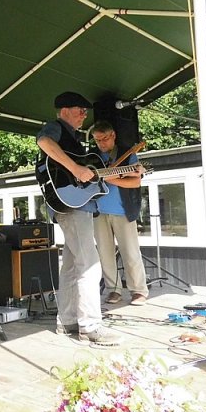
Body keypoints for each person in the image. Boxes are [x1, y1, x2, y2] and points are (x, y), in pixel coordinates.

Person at [36, 91, 120, 345]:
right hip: (72, 208)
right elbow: (44, 142)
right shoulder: (56, 127)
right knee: (90, 265)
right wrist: (75, 168)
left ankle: (68, 320)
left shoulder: (74, 138)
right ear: (64, 111)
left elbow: (86, 174)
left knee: (72, 267)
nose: (84, 115)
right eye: (79, 110)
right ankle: (90, 326)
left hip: (76, 206)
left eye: (85, 111)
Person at [90, 120, 149, 306]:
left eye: (104, 139)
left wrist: (110, 179)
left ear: (113, 135)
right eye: (97, 140)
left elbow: (136, 181)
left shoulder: (127, 154)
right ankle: (113, 290)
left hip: (122, 210)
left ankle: (138, 291)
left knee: (130, 252)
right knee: (105, 254)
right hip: (98, 211)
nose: (101, 143)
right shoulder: (91, 157)